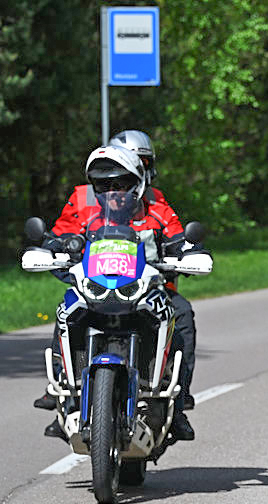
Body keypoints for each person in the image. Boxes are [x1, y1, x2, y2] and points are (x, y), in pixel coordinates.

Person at [35, 130, 198, 441]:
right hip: (95, 284)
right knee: (67, 310)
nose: (113, 189)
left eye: (123, 180)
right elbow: (60, 234)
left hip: (149, 286)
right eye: (106, 183)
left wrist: (188, 253)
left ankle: (177, 402)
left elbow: (178, 237)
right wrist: (54, 249)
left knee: (182, 315)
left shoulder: (156, 202)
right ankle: (63, 393)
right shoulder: (84, 198)